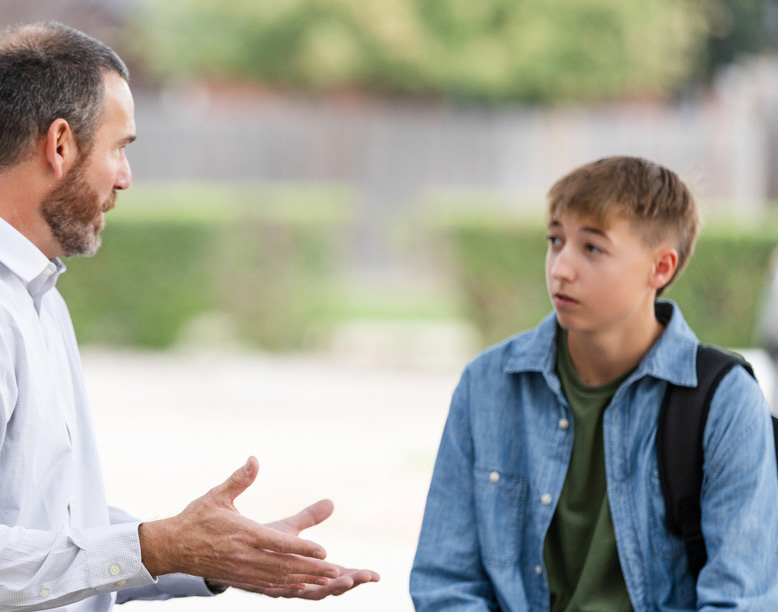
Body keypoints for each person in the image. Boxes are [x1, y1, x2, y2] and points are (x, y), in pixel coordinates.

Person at [0, 21, 379, 610]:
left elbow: (56, 523)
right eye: (119, 148)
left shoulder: (38, 295)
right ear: (60, 145)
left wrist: (205, 556)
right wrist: (158, 548)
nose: (125, 178)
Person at [410, 156, 778, 611]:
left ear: (660, 268)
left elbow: (740, 600)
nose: (561, 268)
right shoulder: (487, 384)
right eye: (555, 240)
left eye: (592, 248)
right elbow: (446, 583)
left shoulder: (724, 402)